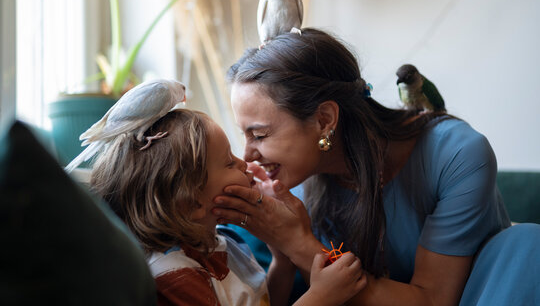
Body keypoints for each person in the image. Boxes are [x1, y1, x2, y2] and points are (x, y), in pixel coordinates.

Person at [212, 28, 540, 305]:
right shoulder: (293, 185)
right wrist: (284, 251)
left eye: (259, 134)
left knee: (527, 244)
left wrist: (299, 244)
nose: (248, 154)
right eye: (244, 135)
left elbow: (432, 300)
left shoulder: (455, 155)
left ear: (324, 119)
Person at [89, 107, 366, 306]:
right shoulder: (175, 277)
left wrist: (281, 262)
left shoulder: (222, 243)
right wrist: (320, 297)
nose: (245, 163)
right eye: (229, 162)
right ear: (193, 202)